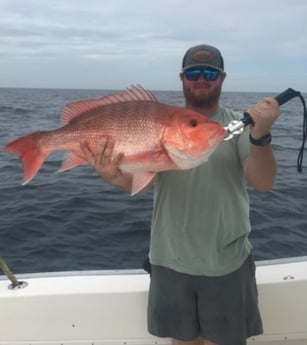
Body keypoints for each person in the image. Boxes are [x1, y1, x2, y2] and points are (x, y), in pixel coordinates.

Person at [80, 44, 280, 345]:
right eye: (193, 73)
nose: (201, 78)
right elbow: (140, 182)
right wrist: (114, 176)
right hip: (169, 258)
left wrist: (260, 136)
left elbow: (263, 182)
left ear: (222, 78)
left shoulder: (239, 124)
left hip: (226, 260)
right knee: (182, 341)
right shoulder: (161, 121)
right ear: (182, 78)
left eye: (209, 72)